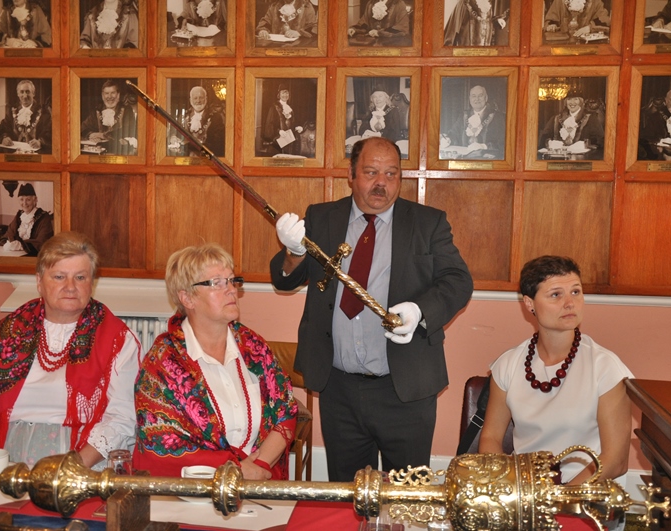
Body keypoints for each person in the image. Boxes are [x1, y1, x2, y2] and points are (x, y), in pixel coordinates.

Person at [270, 137, 473, 481]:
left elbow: (458, 281)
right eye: (371, 172)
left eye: (391, 174)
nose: (382, 183)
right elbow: (285, 279)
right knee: (348, 493)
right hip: (338, 388)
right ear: (351, 175)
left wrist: (420, 311)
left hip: (405, 388)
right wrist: (294, 252)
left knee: (407, 494)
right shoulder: (322, 218)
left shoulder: (428, 223)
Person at [0, 232, 141, 469]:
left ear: (92, 283)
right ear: (39, 281)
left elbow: (122, 418)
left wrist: (72, 469)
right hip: (5, 458)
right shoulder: (7, 333)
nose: (70, 287)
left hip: (83, 462)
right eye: (59, 277)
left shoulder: (117, 339)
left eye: (80, 277)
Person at [134, 243, 298, 479]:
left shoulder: (253, 346)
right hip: (192, 489)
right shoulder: (162, 364)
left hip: (260, 481)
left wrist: (260, 466)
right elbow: (162, 444)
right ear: (187, 298)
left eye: (232, 280)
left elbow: (286, 410)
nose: (231, 290)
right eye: (217, 283)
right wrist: (237, 470)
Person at [479, 256, 633, 485]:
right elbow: (490, 438)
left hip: (585, 492)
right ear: (529, 303)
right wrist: (512, 487)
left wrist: (561, 498)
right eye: (556, 294)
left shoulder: (606, 367)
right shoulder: (508, 363)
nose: (570, 303)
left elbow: (616, 460)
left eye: (576, 292)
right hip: (526, 489)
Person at [440, 84, 506, 159]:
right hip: (464, 159)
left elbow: (503, 143)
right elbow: (454, 133)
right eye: (473, 96)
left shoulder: (498, 117)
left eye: (480, 95)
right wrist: (448, 139)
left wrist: (484, 146)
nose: (477, 99)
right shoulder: (464, 116)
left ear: (486, 98)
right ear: (470, 99)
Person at [81, 79, 138, 156]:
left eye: (113, 93)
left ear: (118, 95)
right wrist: (91, 135)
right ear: (102, 96)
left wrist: (103, 135)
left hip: (119, 151)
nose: (109, 97)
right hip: (99, 153)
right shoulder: (97, 110)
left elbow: (128, 131)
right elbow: (83, 127)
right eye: (106, 93)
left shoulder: (126, 110)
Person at [0, 80, 52, 154]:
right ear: (18, 94)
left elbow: (50, 133)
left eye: (28, 92)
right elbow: (2, 129)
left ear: (33, 93)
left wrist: (40, 142)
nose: (25, 96)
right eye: (22, 92)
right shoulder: (12, 111)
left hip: (36, 154)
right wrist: (4, 138)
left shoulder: (44, 112)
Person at [0, 183, 54, 257]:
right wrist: (9, 243)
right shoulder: (19, 215)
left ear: (35, 200)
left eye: (28, 200)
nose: (24, 203)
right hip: (16, 254)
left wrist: (21, 245)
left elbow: (42, 241)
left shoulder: (44, 217)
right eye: (21, 199)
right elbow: (9, 233)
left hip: (34, 255)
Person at [167, 86, 225, 157]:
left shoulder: (216, 117)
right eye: (195, 98)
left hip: (206, 159)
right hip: (186, 159)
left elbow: (218, 144)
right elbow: (174, 134)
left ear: (206, 99)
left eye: (201, 97)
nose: (198, 101)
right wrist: (173, 138)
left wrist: (189, 144)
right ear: (190, 100)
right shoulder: (183, 116)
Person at [538, 92, 604, 152]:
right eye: (569, 99)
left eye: (576, 99)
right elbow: (543, 138)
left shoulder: (591, 118)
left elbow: (600, 140)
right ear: (565, 102)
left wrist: (584, 145)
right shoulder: (556, 119)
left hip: (582, 158)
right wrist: (550, 143)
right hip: (559, 157)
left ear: (581, 102)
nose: (572, 102)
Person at [639, 88, 671, 160]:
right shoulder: (656, 116)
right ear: (666, 100)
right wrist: (660, 142)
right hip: (664, 152)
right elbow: (646, 136)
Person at [443, 0, 510, 47]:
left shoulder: (487, 5)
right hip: (467, 54)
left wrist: (497, 20)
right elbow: (451, 32)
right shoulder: (463, 4)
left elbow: (484, 21)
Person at [262, 85, 304, 156]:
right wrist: (278, 131)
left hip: (289, 141)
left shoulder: (290, 108)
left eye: (287, 93)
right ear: (279, 95)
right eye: (283, 93)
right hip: (277, 142)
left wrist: (296, 127)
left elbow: (291, 124)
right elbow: (269, 125)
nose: (285, 95)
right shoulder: (274, 107)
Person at [543, 0, 610, 41]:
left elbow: (605, 20)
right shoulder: (559, 1)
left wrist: (590, 27)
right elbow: (550, 20)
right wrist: (552, 25)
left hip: (586, 45)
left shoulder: (595, 2)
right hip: (563, 44)